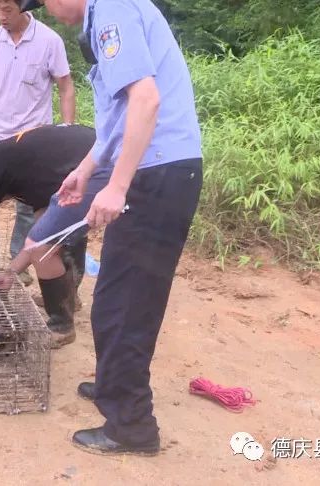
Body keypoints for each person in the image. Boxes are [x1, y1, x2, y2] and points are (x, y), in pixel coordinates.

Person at [21, 0, 204, 456]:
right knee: (116, 297)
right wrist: (85, 170)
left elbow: (147, 100)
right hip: (157, 171)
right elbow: (119, 120)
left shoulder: (113, 10)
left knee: (125, 303)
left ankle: (132, 427)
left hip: (155, 174)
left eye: (43, 3)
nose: (47, 13)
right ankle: (112, 385)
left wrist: (118, 186)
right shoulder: (112, 13)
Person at [0, 0, 76, 286]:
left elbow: (66, 86)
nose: (0, 17)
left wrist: (67, 131)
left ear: (22, 6)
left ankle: (17, 264)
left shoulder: (49, 40)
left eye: (6, 10)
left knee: (27, 203)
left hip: (33, 139)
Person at [0, 123, 106, 348]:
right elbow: (42, 231)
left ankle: (62, 326)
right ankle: (68, 298)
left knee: (46, 246)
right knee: (52, 237)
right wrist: (10, 273)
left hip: (99, 161)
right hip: (91, 149)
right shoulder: (32, 175)